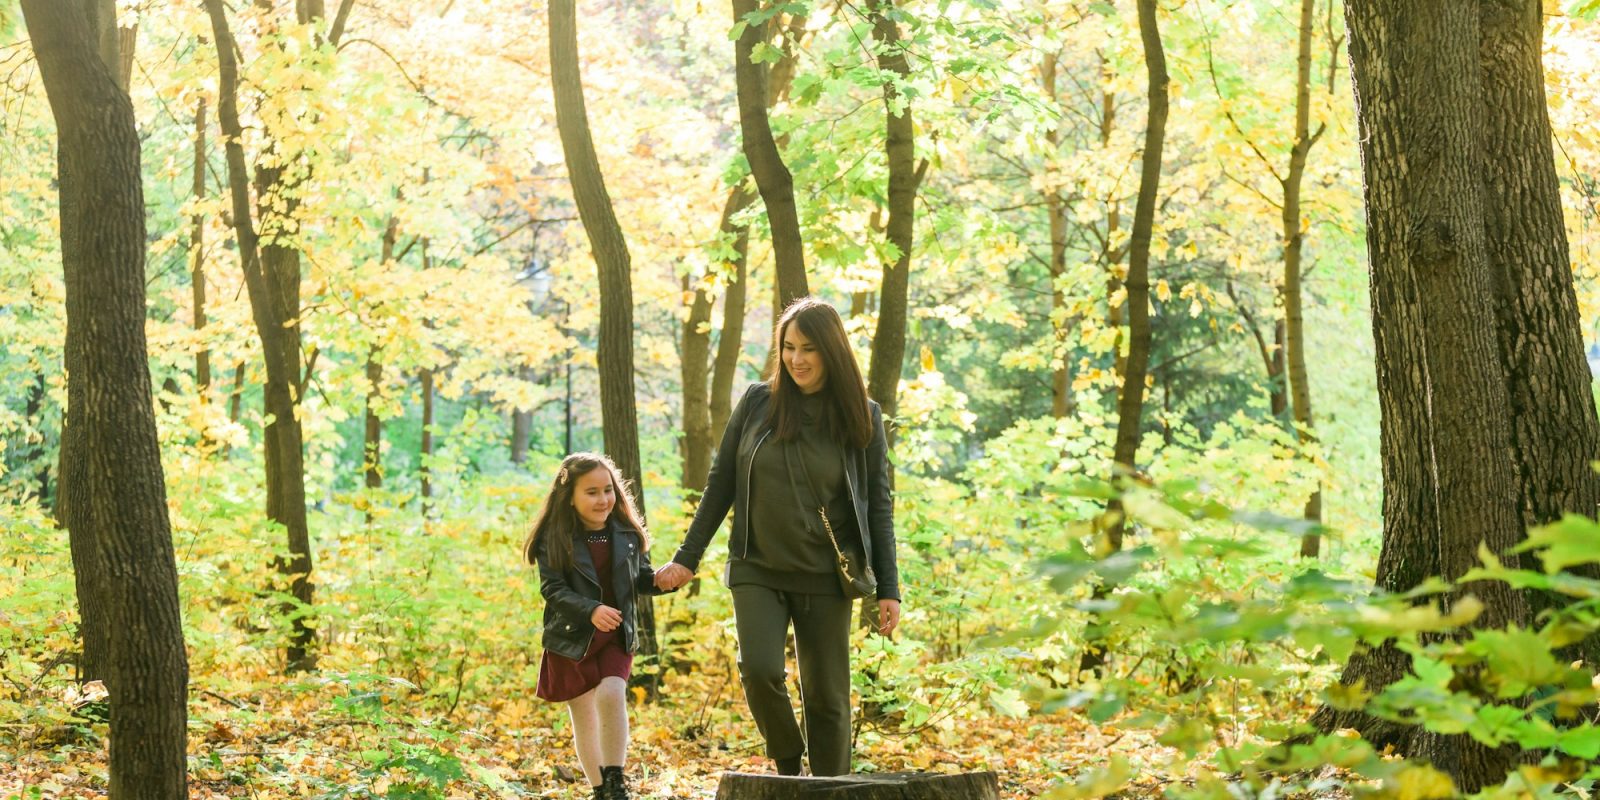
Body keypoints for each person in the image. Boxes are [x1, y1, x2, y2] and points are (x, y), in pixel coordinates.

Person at [654, 297, 902, 777]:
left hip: (827, 575)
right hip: (757, 566)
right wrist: (688, 556)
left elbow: (878, 507)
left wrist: (888, 586)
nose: (796, 359)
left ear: (832, 350)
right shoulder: (757, 403)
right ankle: (789, 764)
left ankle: (830, 788)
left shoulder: (861, 416)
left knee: (827, 698)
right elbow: (720, 482)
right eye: (788, 347)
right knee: (761, 671)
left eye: (809, 348)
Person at [525, 453, 671, 800]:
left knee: (611, 692)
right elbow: (553, 590)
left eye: (608, 490)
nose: (603, 499)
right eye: (591, 492)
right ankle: (599, 789)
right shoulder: (554, 537)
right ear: (569, 496)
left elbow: (640, 579)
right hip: (573, 638)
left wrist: (664, 580)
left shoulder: (627, 533)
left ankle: (616, 780)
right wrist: (590, 610)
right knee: (585, 716)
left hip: (616, 634)